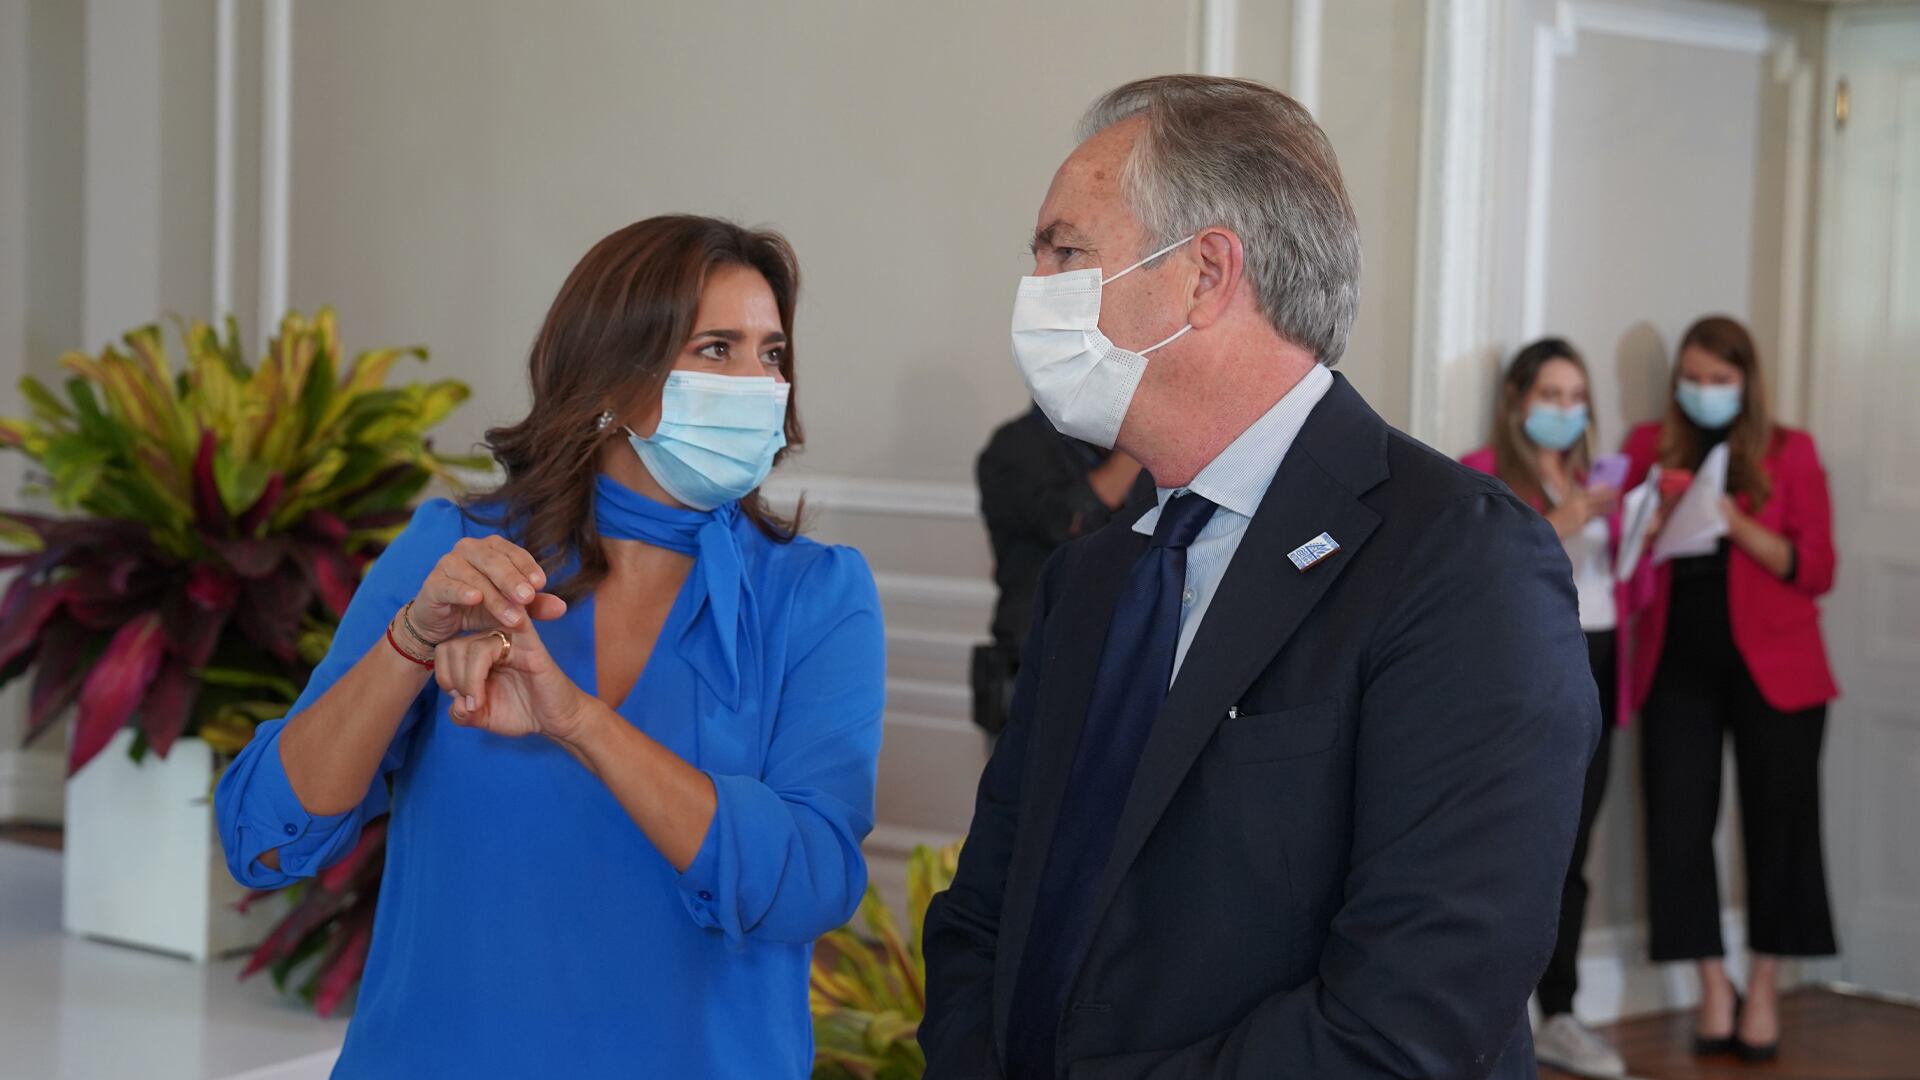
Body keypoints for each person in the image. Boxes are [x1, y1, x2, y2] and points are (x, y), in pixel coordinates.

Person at [920, 75, 1597, 1080]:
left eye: (1066, 252)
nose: (1036, 285)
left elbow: (1414, 1017)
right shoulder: (1092, 575)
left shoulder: (1461, 559)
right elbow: (987, 912)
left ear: (1206, 274)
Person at [215, 216, 885, 1078]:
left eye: (772, 353)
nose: (759, 384)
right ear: (613, 372)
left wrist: (580, 723)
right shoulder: (455, 554)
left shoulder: (817, 594)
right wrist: (411, 640)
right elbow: (265, 838)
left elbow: (809, 886)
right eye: (717, 349)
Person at [1622, 315, 1839, 1064]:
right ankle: (1713, 984)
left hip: (1777, 668)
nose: (1703, 391)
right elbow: (1620, 555)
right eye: (1692, 378)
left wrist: (1729, 522)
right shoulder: (1648, 447)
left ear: (1746, 383)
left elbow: (1816, 569)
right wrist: (1649, 524)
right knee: (1677, 825)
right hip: (1675, 666)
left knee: (1782, 829)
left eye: (1719, 379)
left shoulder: (1789, 451)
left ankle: (1766, 986)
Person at [1462, 339, 1626, 1079]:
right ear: (1518, 400)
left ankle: (1561, 1011)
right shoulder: (1480, 472)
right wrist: (1565, 516)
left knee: (1574, 847)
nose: (1565, 410)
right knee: (1510, 843)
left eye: (1576, 397)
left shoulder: (1595, 477)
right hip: (1530, 666)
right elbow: (1485, 563)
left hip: (1604, 660)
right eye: (1551, 395)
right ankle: (1492, 1014)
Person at [973, 409, 1154, 736]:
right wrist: (1142, 448)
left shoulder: (1111, 441)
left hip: (1122, 664)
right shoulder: (1013, 444)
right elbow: (1068, 521)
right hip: (1040, 660)